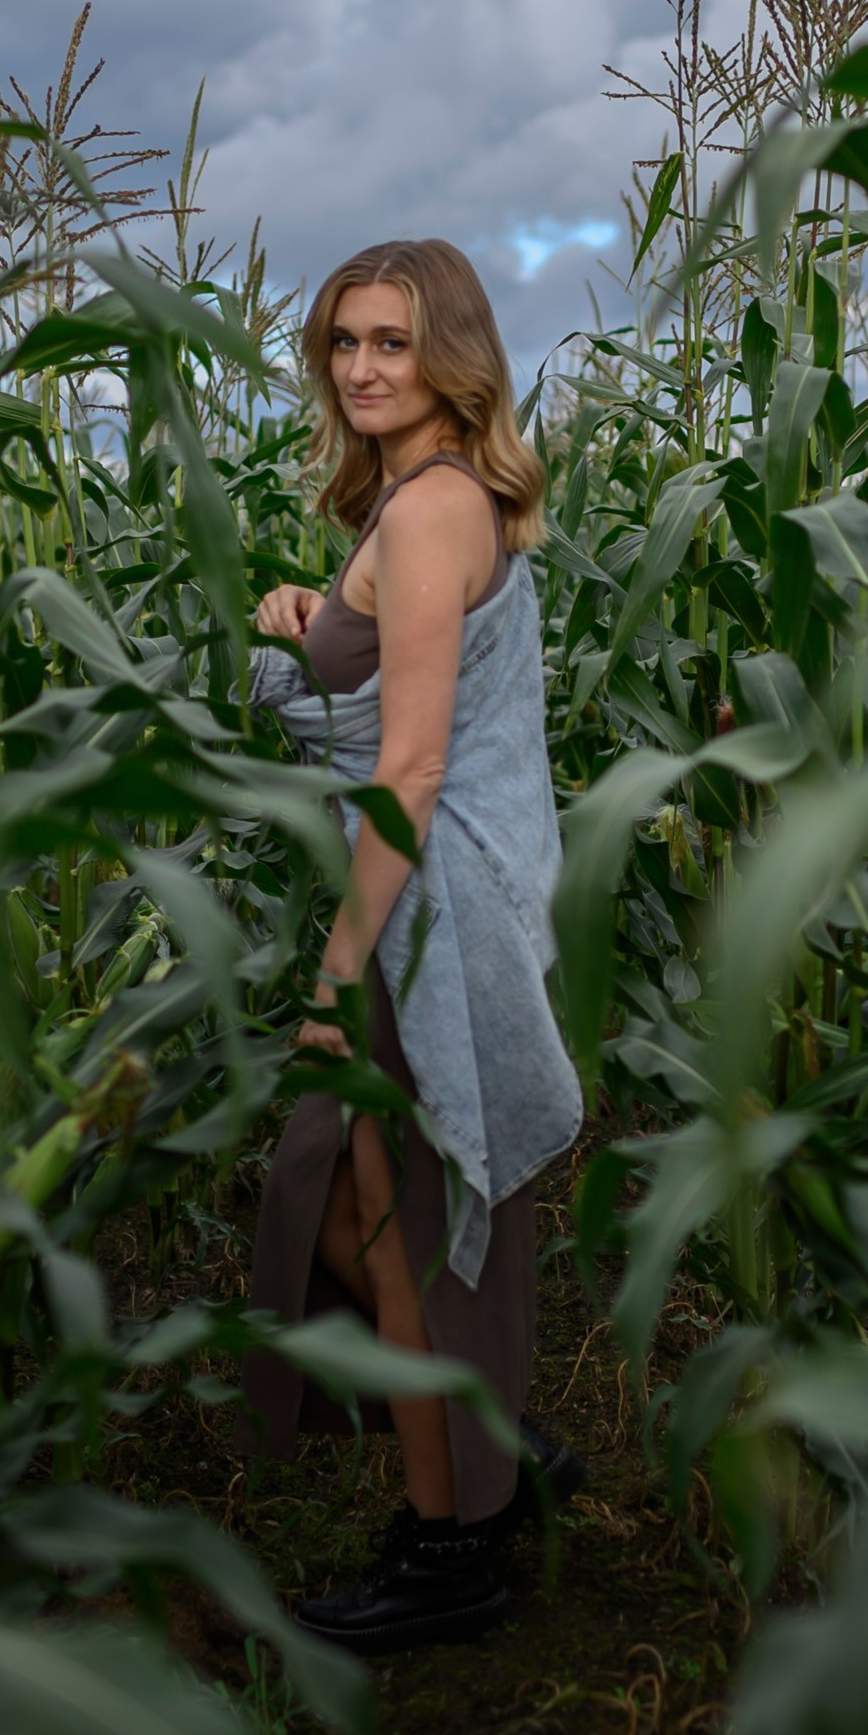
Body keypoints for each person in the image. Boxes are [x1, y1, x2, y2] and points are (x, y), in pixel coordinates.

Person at [242, 238, 587, 1654]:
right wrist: (310, 621)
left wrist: (335, 974)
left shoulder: (432, 512)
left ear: (452, 356)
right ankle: (488, 1465)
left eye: (393, 342)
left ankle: (452, 1549)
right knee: (396, 1220)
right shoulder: (422, 505)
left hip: (423, 910)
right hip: (428, 902)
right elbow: (392, 661)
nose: (365, 368)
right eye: (344, 343)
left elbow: (415, 765)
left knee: (401, 1227)